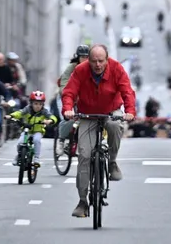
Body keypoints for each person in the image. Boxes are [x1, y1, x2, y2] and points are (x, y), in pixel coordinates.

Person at [61, 44, 136, 219]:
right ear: (89, 60)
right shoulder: (80, 70)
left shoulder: (117, 68)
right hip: (88, 114)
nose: (97, 65)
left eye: (101, 61)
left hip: (111, 111)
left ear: (107, 59)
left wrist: (130, 111)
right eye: (93, 61)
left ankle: (112, 162)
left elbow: (127, 91)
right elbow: (69, 92)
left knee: (114, 126)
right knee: (84, 156)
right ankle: (82, 201)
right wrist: (68, 109)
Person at [8, 90, 57, 166]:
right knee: (20, 143)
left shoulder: (44, 111)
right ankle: (19, 156)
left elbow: (53, 117)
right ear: (31, 103)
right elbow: (19, 113)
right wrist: (11, 115)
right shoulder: (27, 109)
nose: (38, 106)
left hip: (38, 131)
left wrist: (50, 120)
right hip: (27, 130)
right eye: (36, 103)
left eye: (40, 104)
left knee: (37, 140)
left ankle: (36, 158)